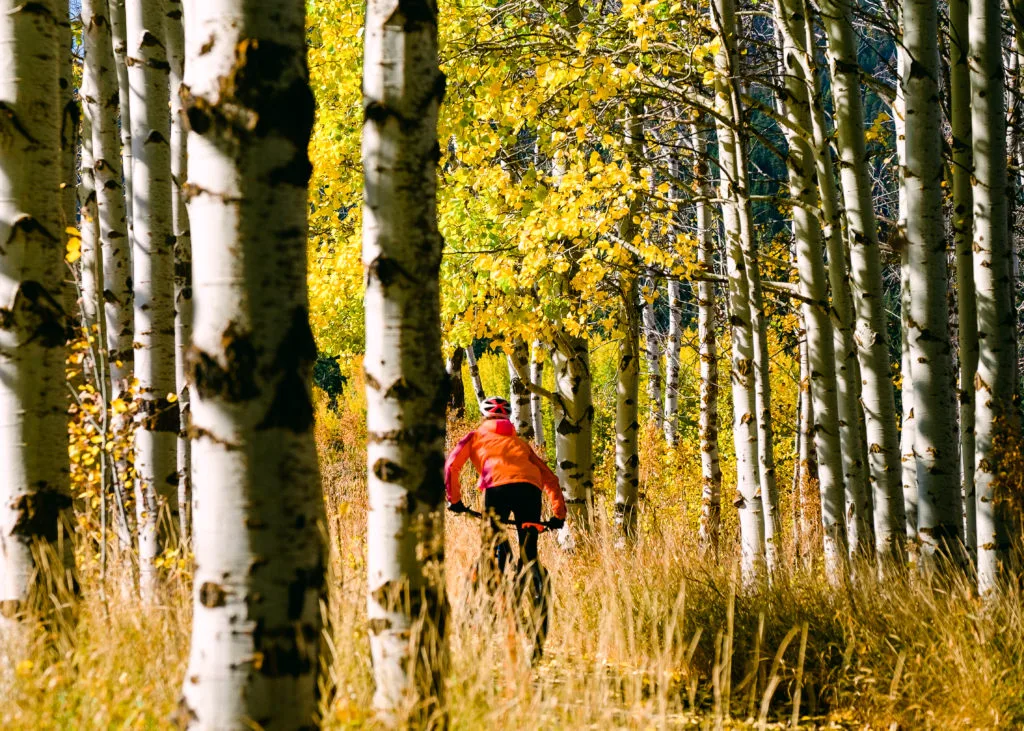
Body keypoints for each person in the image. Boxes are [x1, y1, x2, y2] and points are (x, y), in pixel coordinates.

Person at [444, 396, 566, 578]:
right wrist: (558, 515)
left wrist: (454, 500)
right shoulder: (521, 444)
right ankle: (537, 592)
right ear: (508, 420)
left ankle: (490, 596)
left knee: (490, 549)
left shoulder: (475, 436)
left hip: (496, 490)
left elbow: (451, 466)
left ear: (483, 417)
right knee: (529, 555)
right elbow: (550, 478)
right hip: (530, 492)